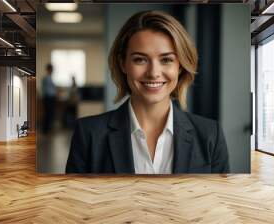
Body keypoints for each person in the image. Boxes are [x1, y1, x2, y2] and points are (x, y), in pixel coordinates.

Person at [66, 10, 229, 174]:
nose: (153, 72)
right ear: (123, 63)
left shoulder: (210, 135)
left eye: (166, 60)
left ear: (180, 66)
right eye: (140, 59)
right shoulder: (88, 134)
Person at [42, 63, 57, 134]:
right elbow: (46, 90)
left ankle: (48, 129)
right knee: (48, 114)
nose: (52, 70)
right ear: (48, 69)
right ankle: (45, 130)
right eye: (51, 69)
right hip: (48, 98)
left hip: (51, 98)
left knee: (51, 114)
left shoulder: (50, 78)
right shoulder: (46, 78)